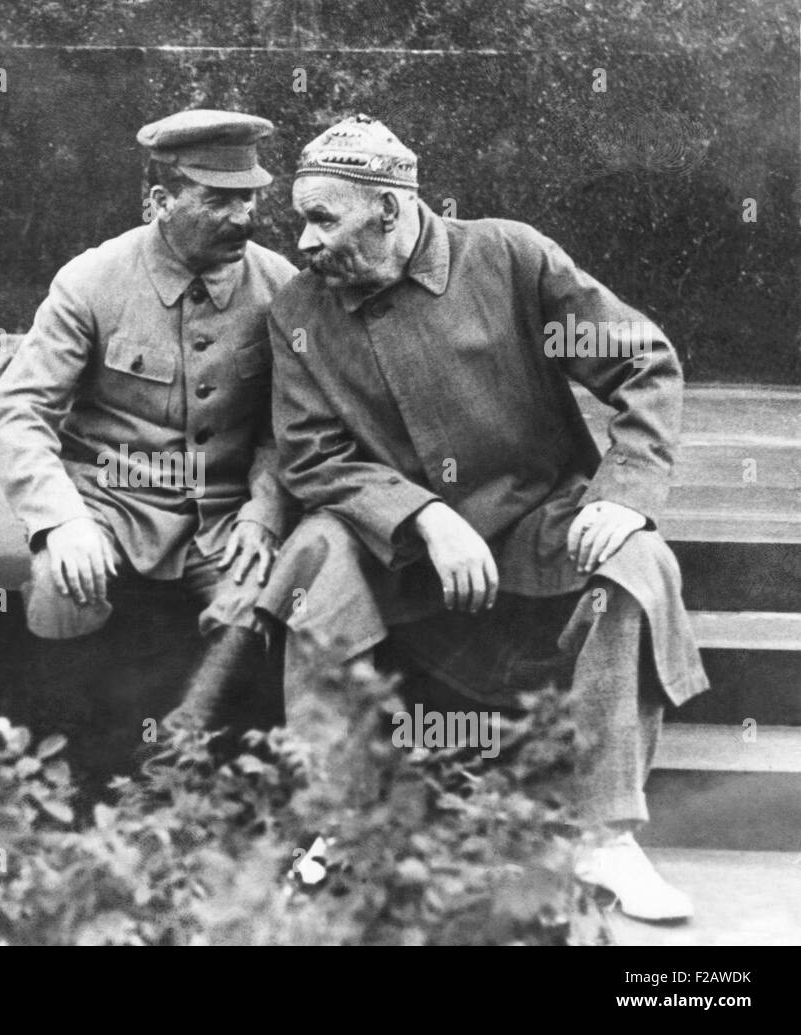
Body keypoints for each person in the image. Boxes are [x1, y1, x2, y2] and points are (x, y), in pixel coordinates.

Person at [256, 114, 710, 922]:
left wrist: (622, 493)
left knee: (639, 561)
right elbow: (311, 456)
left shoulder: (508, 256)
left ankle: (604, 834)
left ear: (390, 211)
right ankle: (341, 819)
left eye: (323, 218)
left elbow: (644, 361)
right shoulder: (299, 308)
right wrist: (424, 515)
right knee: (316, 556)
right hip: (398, 551)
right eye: (301, 218)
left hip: (536, 524)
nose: (303, 241)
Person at [0, 109, 297, 773]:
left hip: (223, 516)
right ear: (160, 201)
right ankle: (62, 778)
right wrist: (60, 520)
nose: (242, 217)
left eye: (249, 198)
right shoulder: (92, 281)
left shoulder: (283, 289)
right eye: (218, 199)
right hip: (108, 505)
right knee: (59, 586)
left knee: (262, 605)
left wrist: (266, 511)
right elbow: (20, 410)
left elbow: (291, 422)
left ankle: (197, 783)